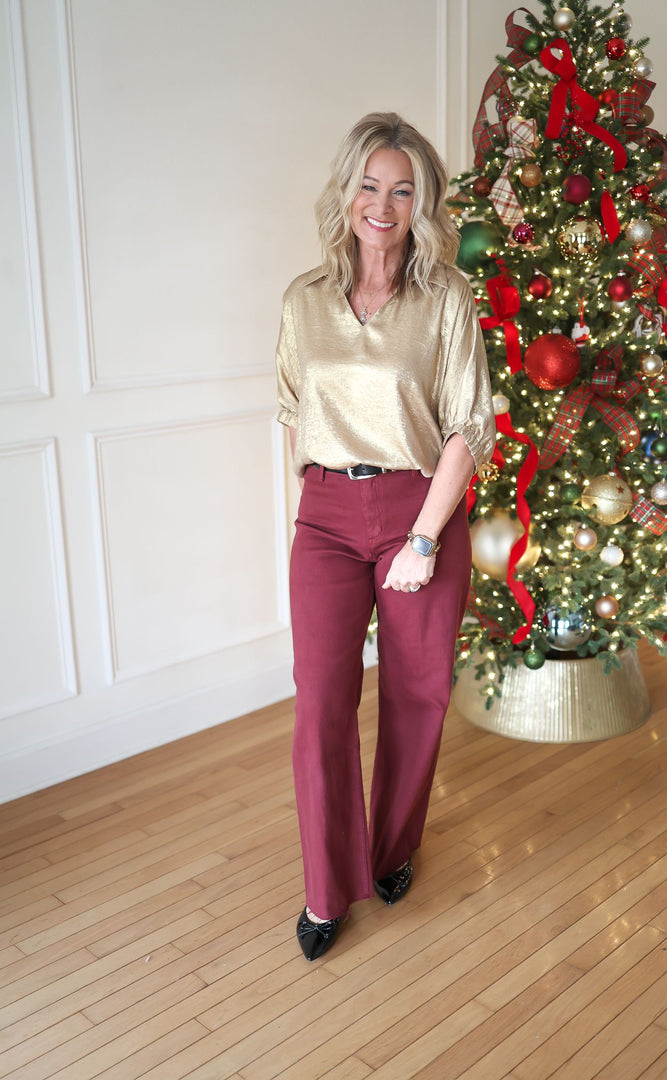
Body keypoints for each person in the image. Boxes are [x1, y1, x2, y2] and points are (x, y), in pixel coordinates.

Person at [274, 112, 495, 961]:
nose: (383, 202)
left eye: (403, 189)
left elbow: (467, 425)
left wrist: (427, 539)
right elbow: (293, 408)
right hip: (327, 515)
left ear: (421, 203)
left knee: (417, 695)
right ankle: (326, 890)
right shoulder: (304, 299)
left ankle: (392, 849)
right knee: (322, 706)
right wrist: (306, 509)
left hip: (420, 507)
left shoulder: (445, 300)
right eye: (370, 183)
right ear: (347, 190)